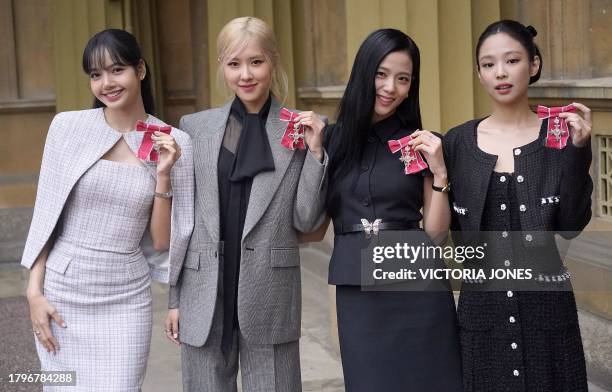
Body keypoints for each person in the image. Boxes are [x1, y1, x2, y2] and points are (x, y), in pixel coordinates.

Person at [21, 29, 194, 391]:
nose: (106, 83)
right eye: (96, 75)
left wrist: (163, 175)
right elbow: (46, 216)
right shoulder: (67, 128)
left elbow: (162, 241)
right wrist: (34, 294)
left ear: (141, 70)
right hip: (62, 293)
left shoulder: (175, 142)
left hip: (126, 298)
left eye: (116, 70)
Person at [164, 17, 327, 392]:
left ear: (273, 61)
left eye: (256, 61)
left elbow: (305, 219)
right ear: (222, 65)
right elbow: (182, 220)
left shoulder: (301, 128)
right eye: (234, 63)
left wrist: (316, 153)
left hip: (270, 291)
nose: (245, 75)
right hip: (204, 289)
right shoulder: (195, 128)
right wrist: (175, 297)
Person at [443, 20, 592, 391]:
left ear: (534, 65)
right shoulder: (458, 143)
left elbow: (571, 224)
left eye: (512, 60)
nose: (501, 73)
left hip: (548, 313)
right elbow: (461, 242)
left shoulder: (559, 137)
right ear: (479, 73)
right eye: (489, 64)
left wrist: (577, 152)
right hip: (482, 313)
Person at [320, 28, 462, 391]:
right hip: (358, 287)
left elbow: (434, 232)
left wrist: (441, 171)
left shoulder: (420, 144)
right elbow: (309, 220)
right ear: (364, 72)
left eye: (403, 79)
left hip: (419, 287)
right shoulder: (330, 140)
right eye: (381, 74)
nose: (390, 88)